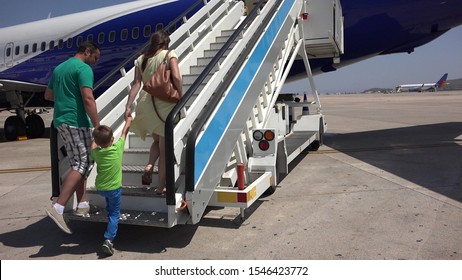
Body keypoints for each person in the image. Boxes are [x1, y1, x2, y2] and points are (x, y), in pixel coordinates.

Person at [44, 41, 101, 234]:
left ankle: (82, 203)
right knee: (82, 163)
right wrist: (97, 126)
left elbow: (48, 95)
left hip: (60, 120)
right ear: (87, 52)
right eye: (95, 57)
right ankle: (58, 207)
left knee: (80, 161)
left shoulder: (59, 68)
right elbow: (88, 98)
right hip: (76, 120)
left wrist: (66, 96)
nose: (95, 62)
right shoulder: (83, 68)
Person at [124, 30, 182, 195]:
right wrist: (180, 94)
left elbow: (136, 84)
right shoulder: (169, 54)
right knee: (165, 150)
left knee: (157, 140)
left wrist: (128, 106)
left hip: (146, 106)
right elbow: (176, 77)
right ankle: (161, 186)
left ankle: (150, 164)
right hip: (164, 106)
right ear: (165, 43)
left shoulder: (141, 59)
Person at [90, 116, 132, 256]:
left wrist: (95, 140)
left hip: (101, 188)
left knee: (109, 204)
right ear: (112, 139)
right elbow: (124, 133)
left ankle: (108, 213)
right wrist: (128, 122)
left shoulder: (96, 153)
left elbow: (93, 146)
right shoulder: (117, 149)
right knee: (115, 214)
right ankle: (108, 239)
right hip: (114, 188)